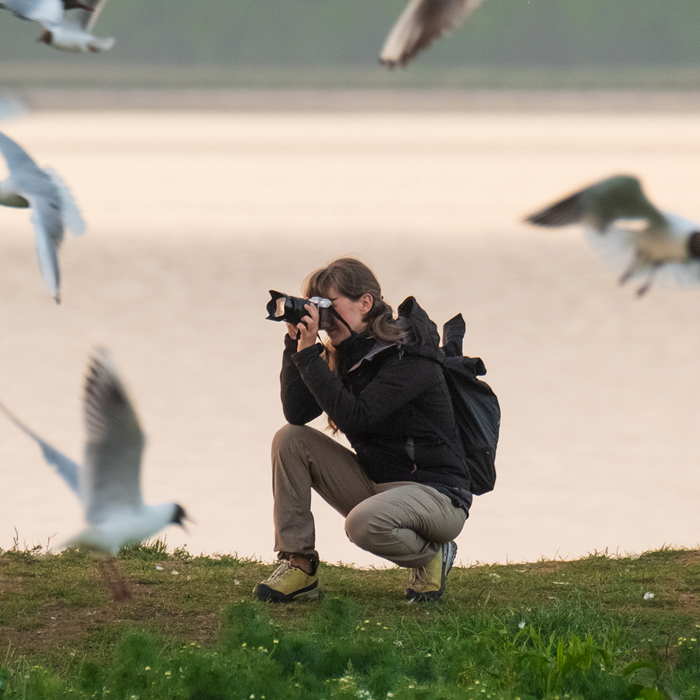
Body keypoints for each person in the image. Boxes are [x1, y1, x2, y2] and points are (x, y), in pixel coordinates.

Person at [255, 257, 472, 603]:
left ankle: (433, 555)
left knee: (361, 525)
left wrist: (311, 355)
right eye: (315, 308)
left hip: (437, 495)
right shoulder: (342, 354)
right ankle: (299, 564)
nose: (321, 319)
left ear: (365, 303)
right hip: (378, 485)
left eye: (327, 306)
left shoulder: (408, 354)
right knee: (290, 439)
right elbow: (297, 413)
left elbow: (357, 416)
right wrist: (296, 345)